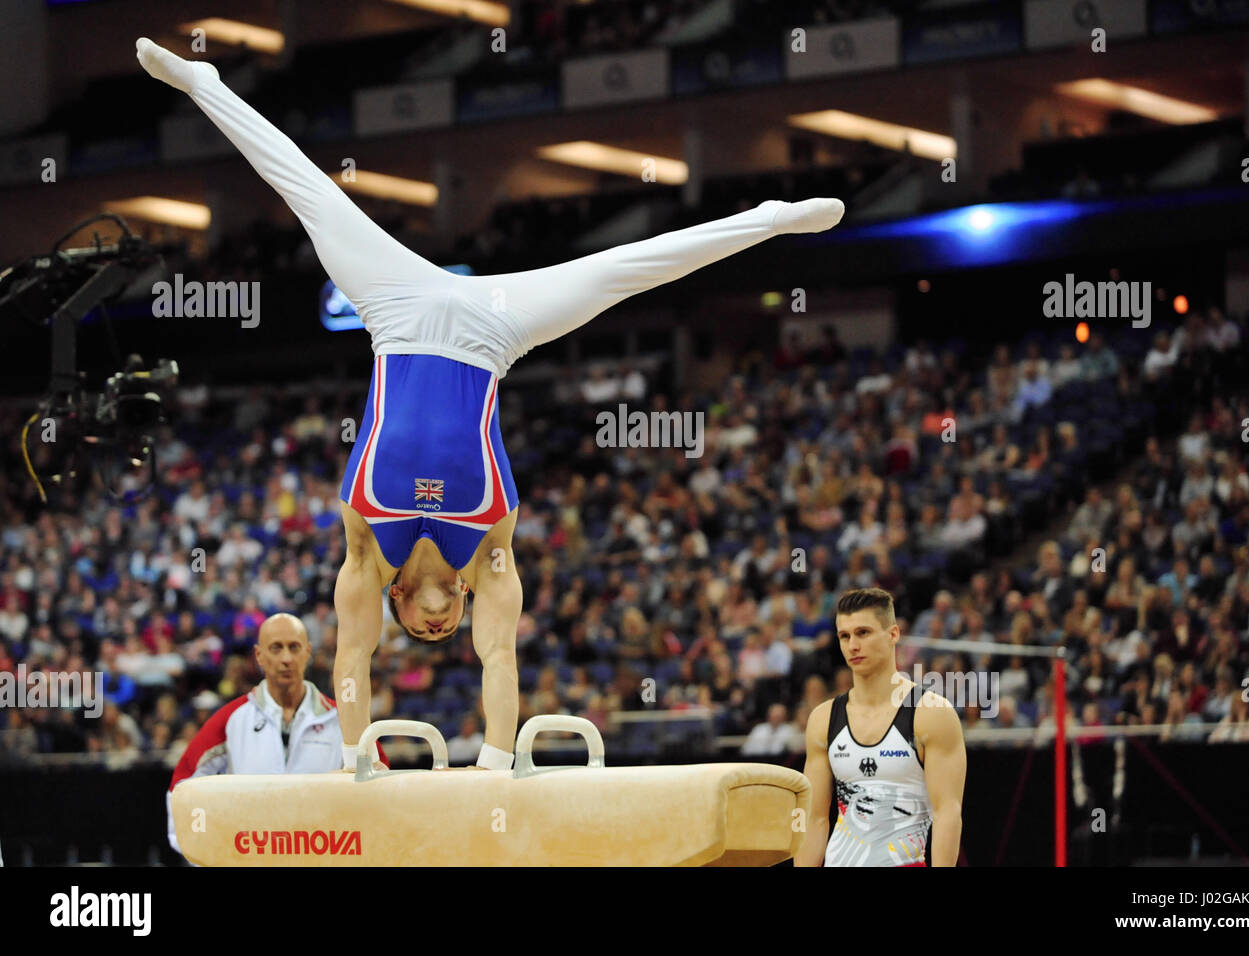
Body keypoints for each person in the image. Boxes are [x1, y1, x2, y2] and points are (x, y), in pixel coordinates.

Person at [136, 37, 844, 772]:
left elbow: (351, 656)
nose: (437, 627)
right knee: (626, 272)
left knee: (308, 192)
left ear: (400, 606)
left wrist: (351, 762)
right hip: (492, 330)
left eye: (420, 627)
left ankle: (203, 84)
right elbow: (499, 656)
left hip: (396, 308)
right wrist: (496, 764)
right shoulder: (493, 548)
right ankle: (768, 219)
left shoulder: (361, 546)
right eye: (447, 631)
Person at [164, 614, 384, 854]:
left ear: (307, 652)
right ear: (259, 655)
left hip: (323, 856)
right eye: (276, 648)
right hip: (253, 857)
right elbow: (182, 786)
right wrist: (198, 854)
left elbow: (383, 786)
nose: (286, 658)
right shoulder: (232, 718)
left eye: (294, 647)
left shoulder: (342, 719)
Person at [795, 587, 965, 866]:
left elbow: (947, 812)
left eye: (863, 633)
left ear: (893, 635)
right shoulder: (823, 719)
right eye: (844, 636)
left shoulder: (930, 714)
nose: (852, 646)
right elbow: (813, 818)